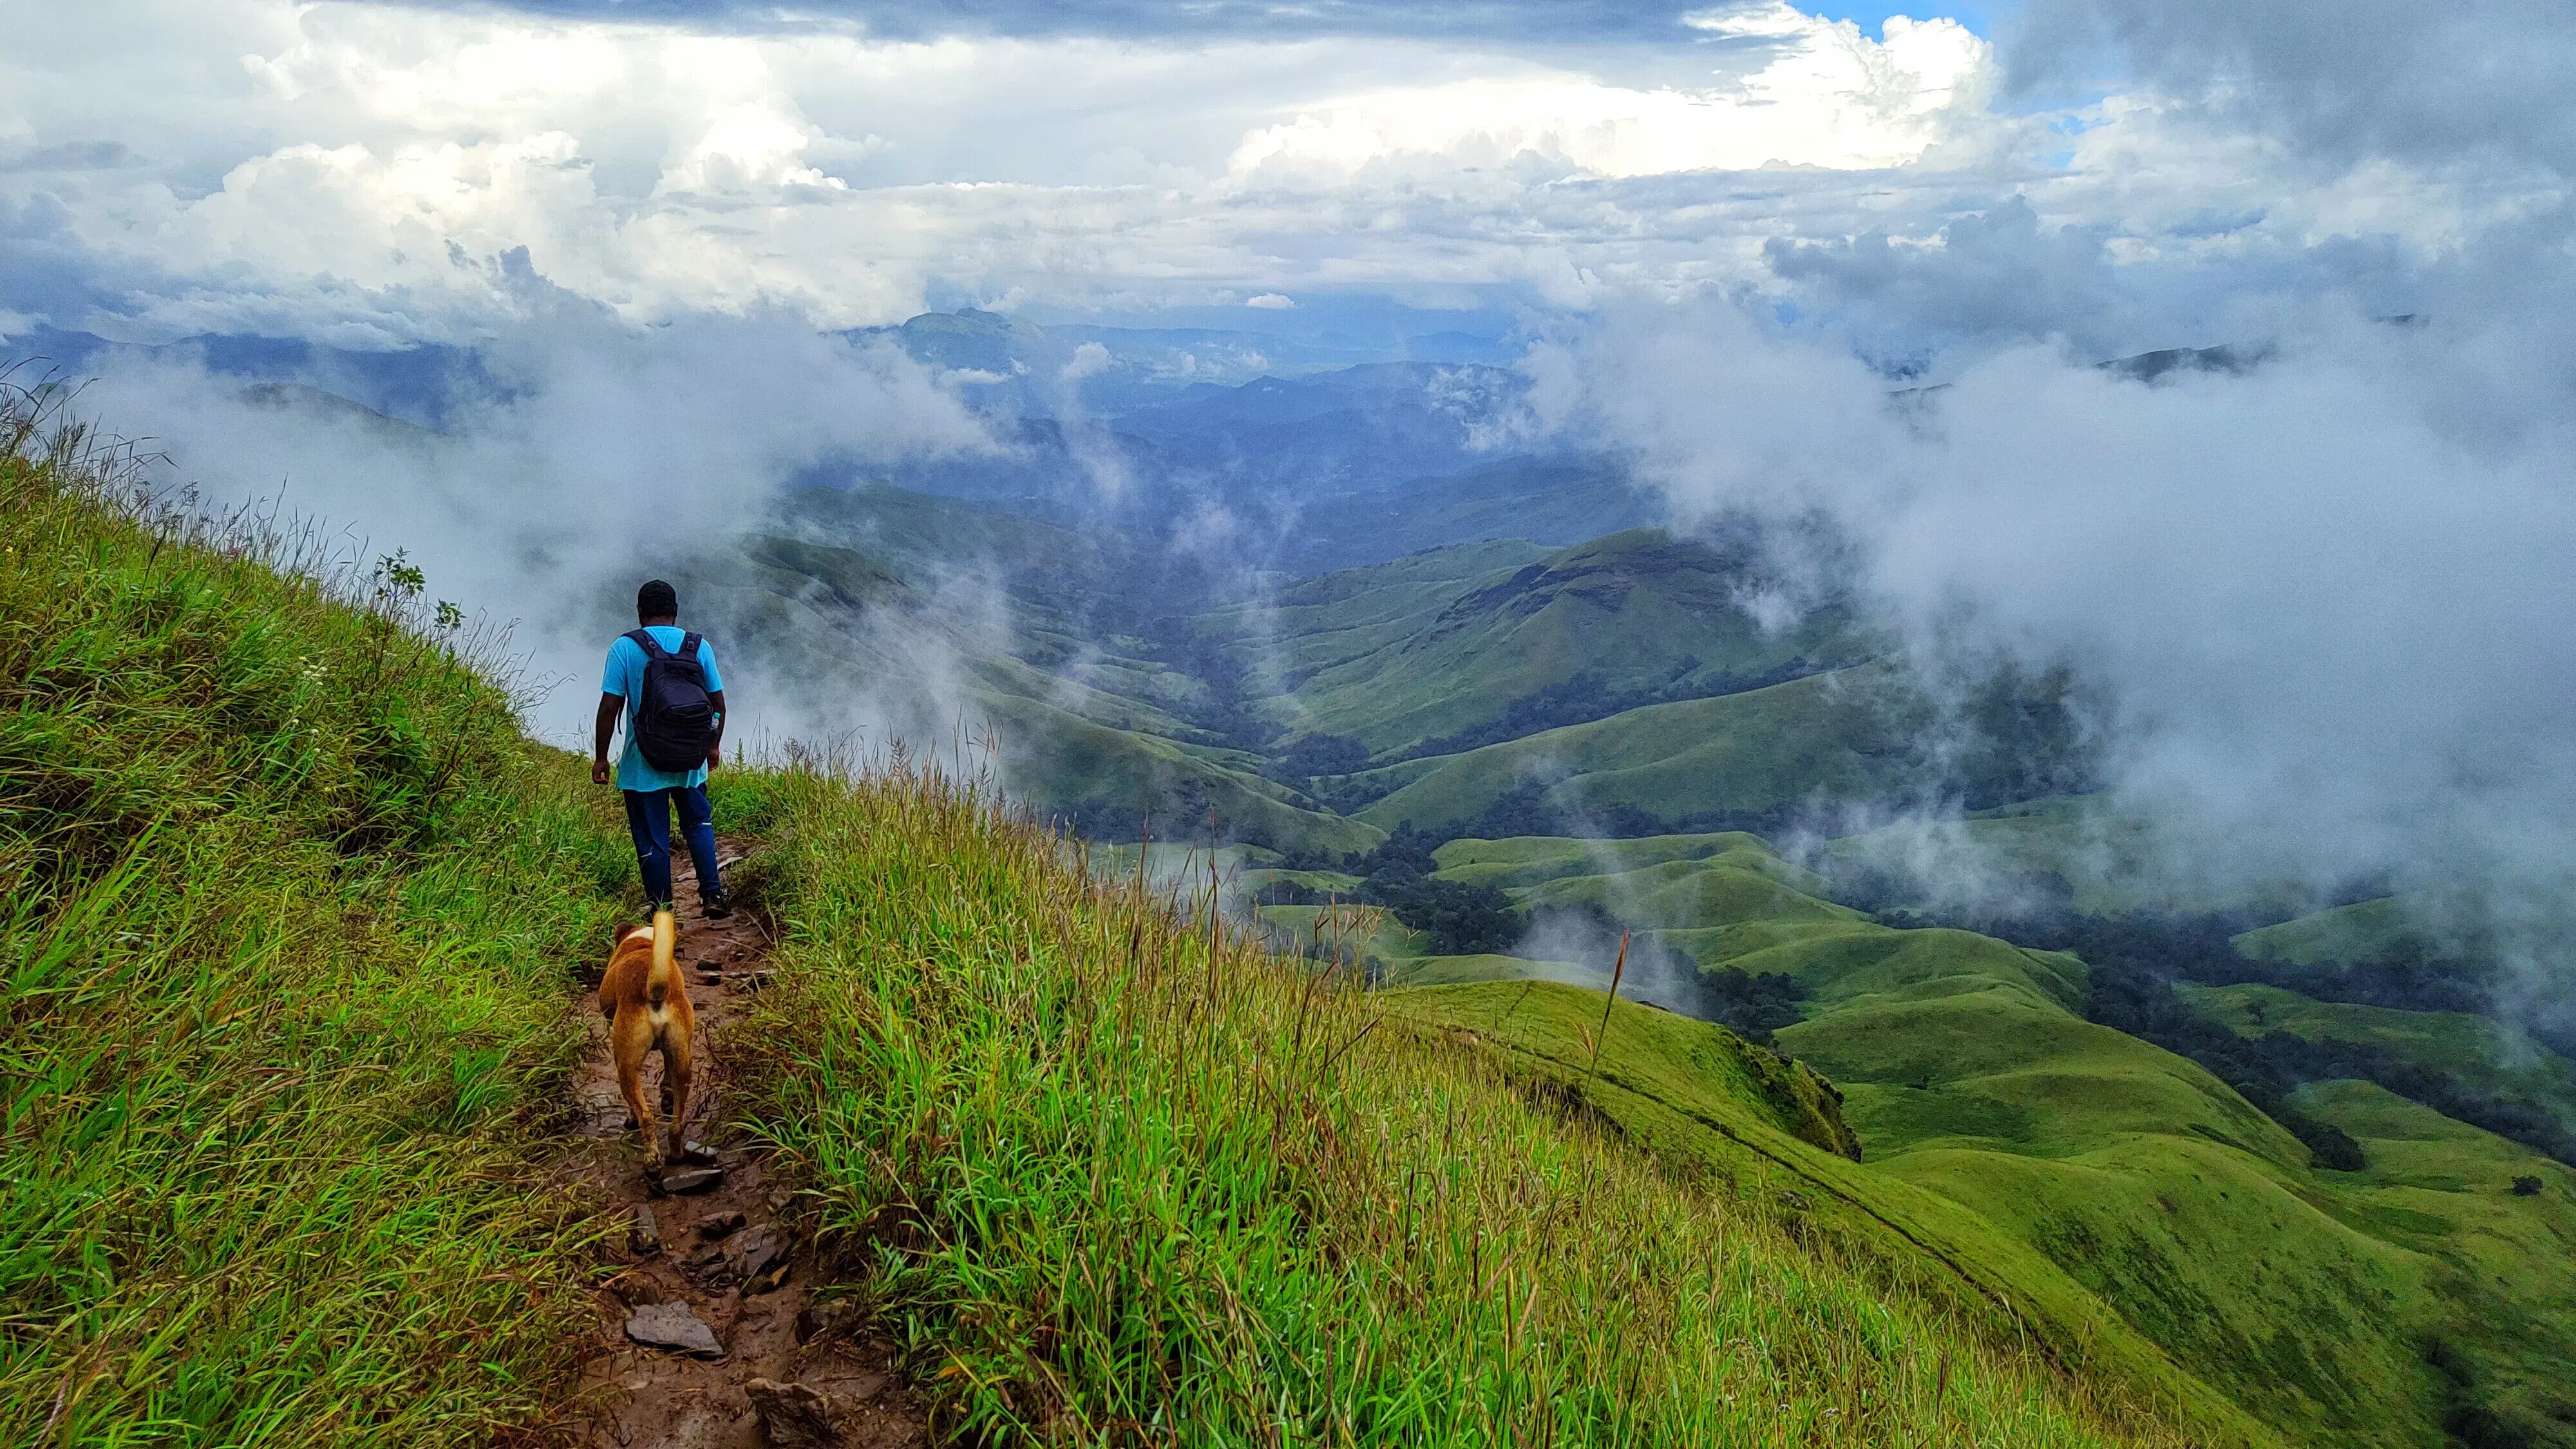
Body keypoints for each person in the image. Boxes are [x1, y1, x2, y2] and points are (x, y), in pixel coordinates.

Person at [594, 579, 732, 918]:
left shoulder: (624, 648)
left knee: (652, 838)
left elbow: (610, 706)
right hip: (690, 760)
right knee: (698, 825)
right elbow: (718, 704)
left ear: (640, 612)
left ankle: (662, 910)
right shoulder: (699, 647)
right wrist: (712, 747)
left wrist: (601, 756)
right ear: (675, 612)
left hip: (643, 763)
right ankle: (712, 897)